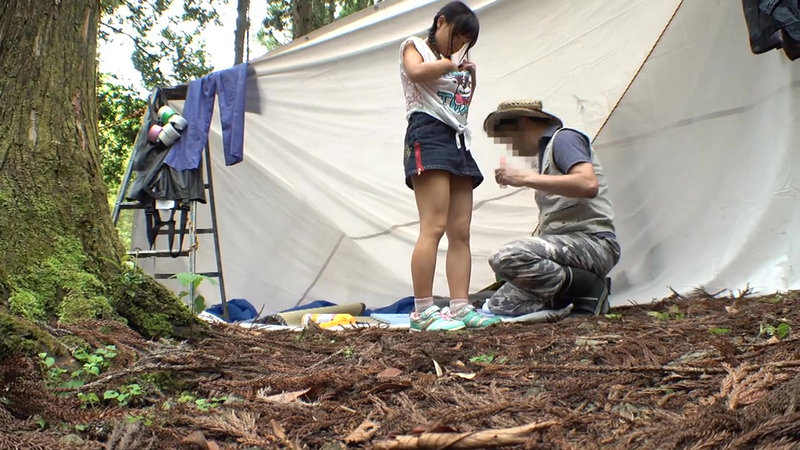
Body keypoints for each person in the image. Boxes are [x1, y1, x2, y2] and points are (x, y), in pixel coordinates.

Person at [400, 1, 500, 331]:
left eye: (464, 43)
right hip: (426, 134)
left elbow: (458, 107)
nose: (458, 47)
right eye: (456, 37)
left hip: (457, 139)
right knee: (434, 225)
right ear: (440, 22)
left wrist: (467, 75)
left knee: (461, 230)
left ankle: (459, 306)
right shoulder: (415, 46)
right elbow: (415, 72)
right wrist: (448, 65)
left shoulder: (454, 64)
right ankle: (423, 311)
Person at [483, 100, 621, 318]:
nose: (510, 146)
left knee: (505, 256)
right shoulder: (544, 155)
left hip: (593, 243)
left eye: (508, 136)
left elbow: (587, 184)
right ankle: (574, 295)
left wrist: (525, 178)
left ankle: (591, 287)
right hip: (564, 251)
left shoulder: (564, 139)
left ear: (524, 123)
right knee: (499, 304)